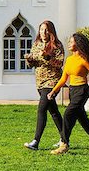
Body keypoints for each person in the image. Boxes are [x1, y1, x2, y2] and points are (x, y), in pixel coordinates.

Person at [47, 33, 89, 154]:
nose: (69, 44)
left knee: (68, 114)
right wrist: (53, 91)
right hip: (73, 90)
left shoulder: (84, 60)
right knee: (82, 119)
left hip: (82, 91)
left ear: (78, 43)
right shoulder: (69, 60)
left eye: (71, 42)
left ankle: (64, 144)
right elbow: (63, 79)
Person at [23, 20, 65, 151]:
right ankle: (64, 138)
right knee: (53, 111)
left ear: (51, 31)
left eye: (46, 30)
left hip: (52, 81)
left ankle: (36, 141)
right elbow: (34, 64)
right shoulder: (36, 44)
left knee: (41, 109)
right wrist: (29, 60)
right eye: (41, 29)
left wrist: (47, 56)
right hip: (40, 82)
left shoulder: (57, 45)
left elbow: (59, 63)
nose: (43, 32)